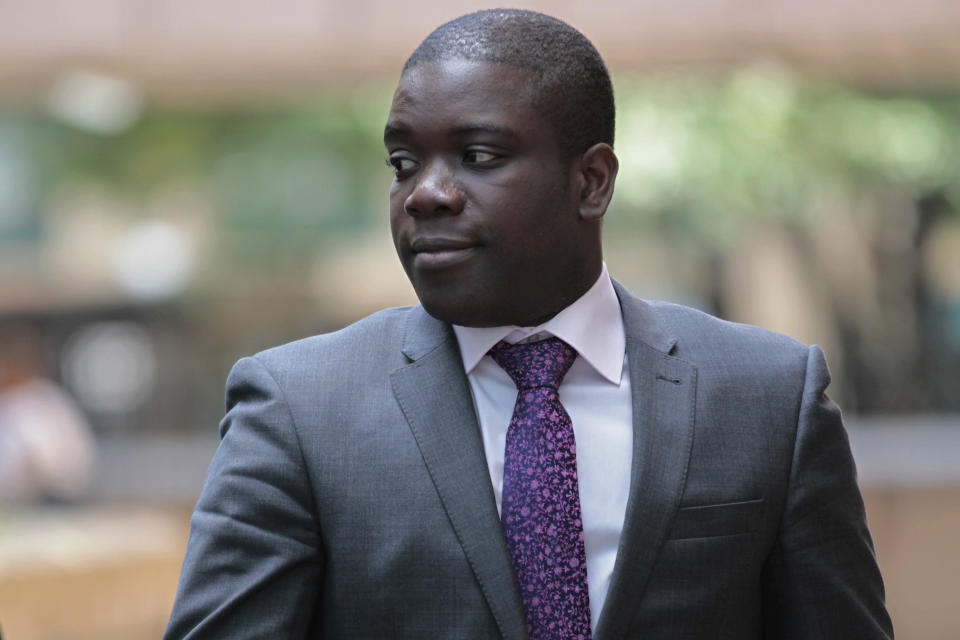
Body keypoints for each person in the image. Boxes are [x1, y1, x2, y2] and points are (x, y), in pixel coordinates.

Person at [165, 9, 893, 639]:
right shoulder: (299, 409)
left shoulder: (768, 395)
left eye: (478, 156)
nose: (426, 194)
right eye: (403, 162)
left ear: (592, 181)